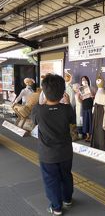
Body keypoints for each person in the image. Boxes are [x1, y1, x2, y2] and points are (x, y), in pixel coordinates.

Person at [31, 74, 76, 216]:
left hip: (47, 155)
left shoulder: (38, 109)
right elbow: (72, 120)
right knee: (66, 176)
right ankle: (67, 199)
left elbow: (34, 122)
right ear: (63, 92)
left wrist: (42, 103)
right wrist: (67, 103)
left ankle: (56, 207)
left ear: (44, 92)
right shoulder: (67, 109)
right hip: (66, 153)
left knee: (51, 180)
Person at [91, 73, 105, 151]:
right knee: (101, 131)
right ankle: (101, 146)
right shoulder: (103, 93)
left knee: (99, 131)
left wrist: (93, 111)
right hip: (100, 113)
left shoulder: (101, 93)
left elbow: (95, 104)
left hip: (99, 113)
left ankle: (98, 145)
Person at [79, 76, 95, 142]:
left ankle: (91, 136)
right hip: (84, 106)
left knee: (90, 121)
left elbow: (95, 98)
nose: (84, 81)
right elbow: (80, 100)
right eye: (82, 80)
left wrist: (92, 95)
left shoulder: (92, 88)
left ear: (87, 80)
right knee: (85, 121)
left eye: (85, 80)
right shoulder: (80, 89)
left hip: (90, 106)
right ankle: (87, 135)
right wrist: (80, 98)